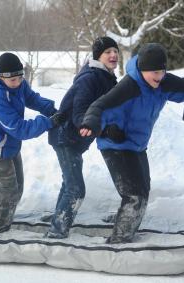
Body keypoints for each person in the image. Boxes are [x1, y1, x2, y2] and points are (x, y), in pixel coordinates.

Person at [80, 43, 184, 243]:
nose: (159, 77)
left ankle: (127, 224)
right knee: (134, 195)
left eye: (162, 71)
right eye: (154, 72)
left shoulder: (163, 82)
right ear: (142, 70)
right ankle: (119, 240)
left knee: (143, 190)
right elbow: (99, 106)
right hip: (114, 145)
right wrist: (92, 123)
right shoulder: (129, 86)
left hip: (137, 146)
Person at [0, 52, 66, 234]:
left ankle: (5, 220)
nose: (17, 83)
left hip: (10, 143)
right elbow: (19, 128)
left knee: (18, 189)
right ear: (2, 77)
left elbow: (32, 98)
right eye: (13, 81)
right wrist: (48, 122)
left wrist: (51, 110)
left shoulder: (17, 82)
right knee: (8, 192)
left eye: (20, 78)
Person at [46, 36, 119, 239]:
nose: (113, 55)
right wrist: (99, 129)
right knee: (76, 188)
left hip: (75, 140)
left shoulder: (107, 77)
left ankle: (59, 219)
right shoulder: (90, 78)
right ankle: (57, 232)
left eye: (115, 51)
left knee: (69, 183)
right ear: (98, 56)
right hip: (65, 136)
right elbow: (80, 113)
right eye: (108, 52)